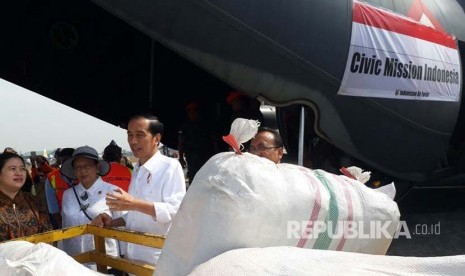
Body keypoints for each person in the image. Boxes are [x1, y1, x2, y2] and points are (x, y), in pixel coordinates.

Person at [91, 114, 186, 266]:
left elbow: (174, 211)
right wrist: (112, 222)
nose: (133, 141)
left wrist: (134, 203)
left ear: (156, 139)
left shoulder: (170, 167)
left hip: (156, 260)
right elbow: (135, 215)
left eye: (140, 135)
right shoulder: (136, 170)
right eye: (130, 135)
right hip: (132, 257)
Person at [60, 146, 122, 270]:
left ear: (97, 167)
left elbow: (124, 223)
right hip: (75, 261)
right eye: (78, 167)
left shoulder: (113, 191)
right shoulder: (67, 195)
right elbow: (65, 227)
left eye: (87, 166)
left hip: (106, 261)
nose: (83, 171)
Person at [0, 152, 52, 241]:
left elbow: (48, 233)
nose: (19, 173)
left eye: (22, 169)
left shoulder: (33, 201)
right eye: (12, 169)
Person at [178, 101, 218, 184]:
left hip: (206, 156)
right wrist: (181, 157)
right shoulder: (185, 126)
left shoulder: (206, 125)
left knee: (207, 178)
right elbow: (181, 142)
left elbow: (213, 140)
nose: (192, 114)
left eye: (194, 111)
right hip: (192, 157)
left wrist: (216, 155)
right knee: (193, 177)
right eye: (190, 112)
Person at [44, 148, 75, 229]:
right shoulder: (51, 178)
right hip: (61, 219)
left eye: (69, 161)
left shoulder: (82, 175)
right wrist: (61, 225)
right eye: (64, 161)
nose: (66, 164)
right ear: (60, 160)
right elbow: (53, 207)